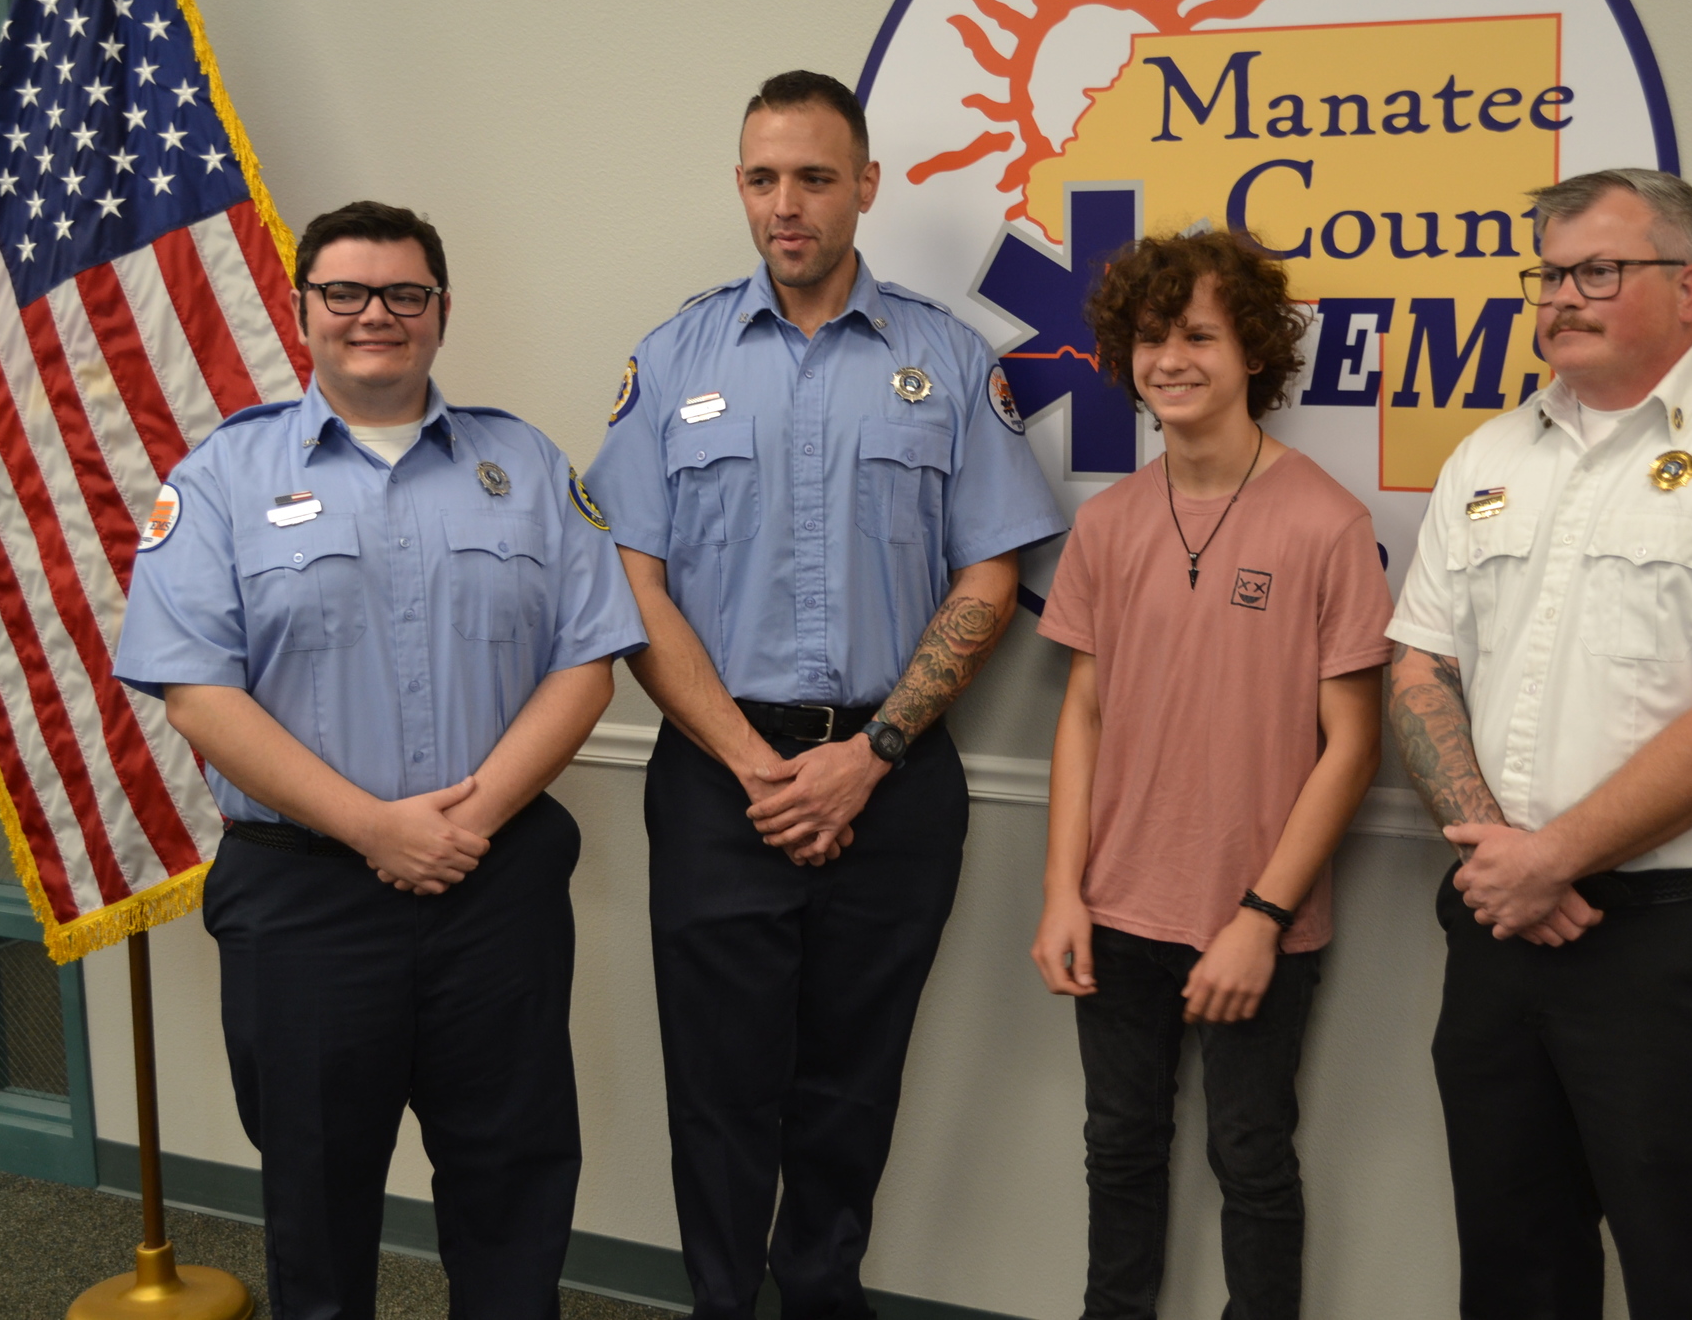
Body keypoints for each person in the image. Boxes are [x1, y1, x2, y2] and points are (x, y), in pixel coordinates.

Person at [582, 71, 1065, 1319]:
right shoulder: (673, 356)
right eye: (760, 178)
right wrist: (753, 763)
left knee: (853, 1085)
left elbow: (992, 569)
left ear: (864, 185)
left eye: (811, 176)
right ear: (739, 187)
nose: (784, 205)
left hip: (891, 782)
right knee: (719, 1086)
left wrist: (876, 749)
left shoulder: (948, 360)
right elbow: (628, 580)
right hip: (713, 776)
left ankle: (821, 1296)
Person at [113, 201, 645, 1320]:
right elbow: (197, 694)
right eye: (345, 293)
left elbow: (586, 662)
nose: (375, 317)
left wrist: (462, 825)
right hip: (303, 899)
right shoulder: (217, 477)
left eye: (404, 294)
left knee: (514, 1180)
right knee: (317, 1194)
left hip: (492, 887)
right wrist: (373, 827)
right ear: (303, 310)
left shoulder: (527, 463)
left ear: (441, 313)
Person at [1386, 169, 1692, 1318]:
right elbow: (1417, 668)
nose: (1561, 295)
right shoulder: (1486, 455)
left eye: (1597, 268)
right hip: (1499, 928)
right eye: (1546, 273)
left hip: (1673, 947)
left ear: (1685, 287)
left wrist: (1552, 859)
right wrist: (1504, 854)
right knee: (1511, 1269)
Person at [1030, 232, 1391, 1320]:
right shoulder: (1107, 523)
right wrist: (1061, 892)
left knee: (1251, 1156)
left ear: (1252, 354)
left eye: (1197, 334)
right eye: (1150, 337)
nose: (1170, 358)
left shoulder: (1327, 523)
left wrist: (1259, 916)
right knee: (1119, 1148)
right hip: (1116, 903)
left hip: (1255, 917)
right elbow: (1083, 712)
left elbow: (1354, 745)